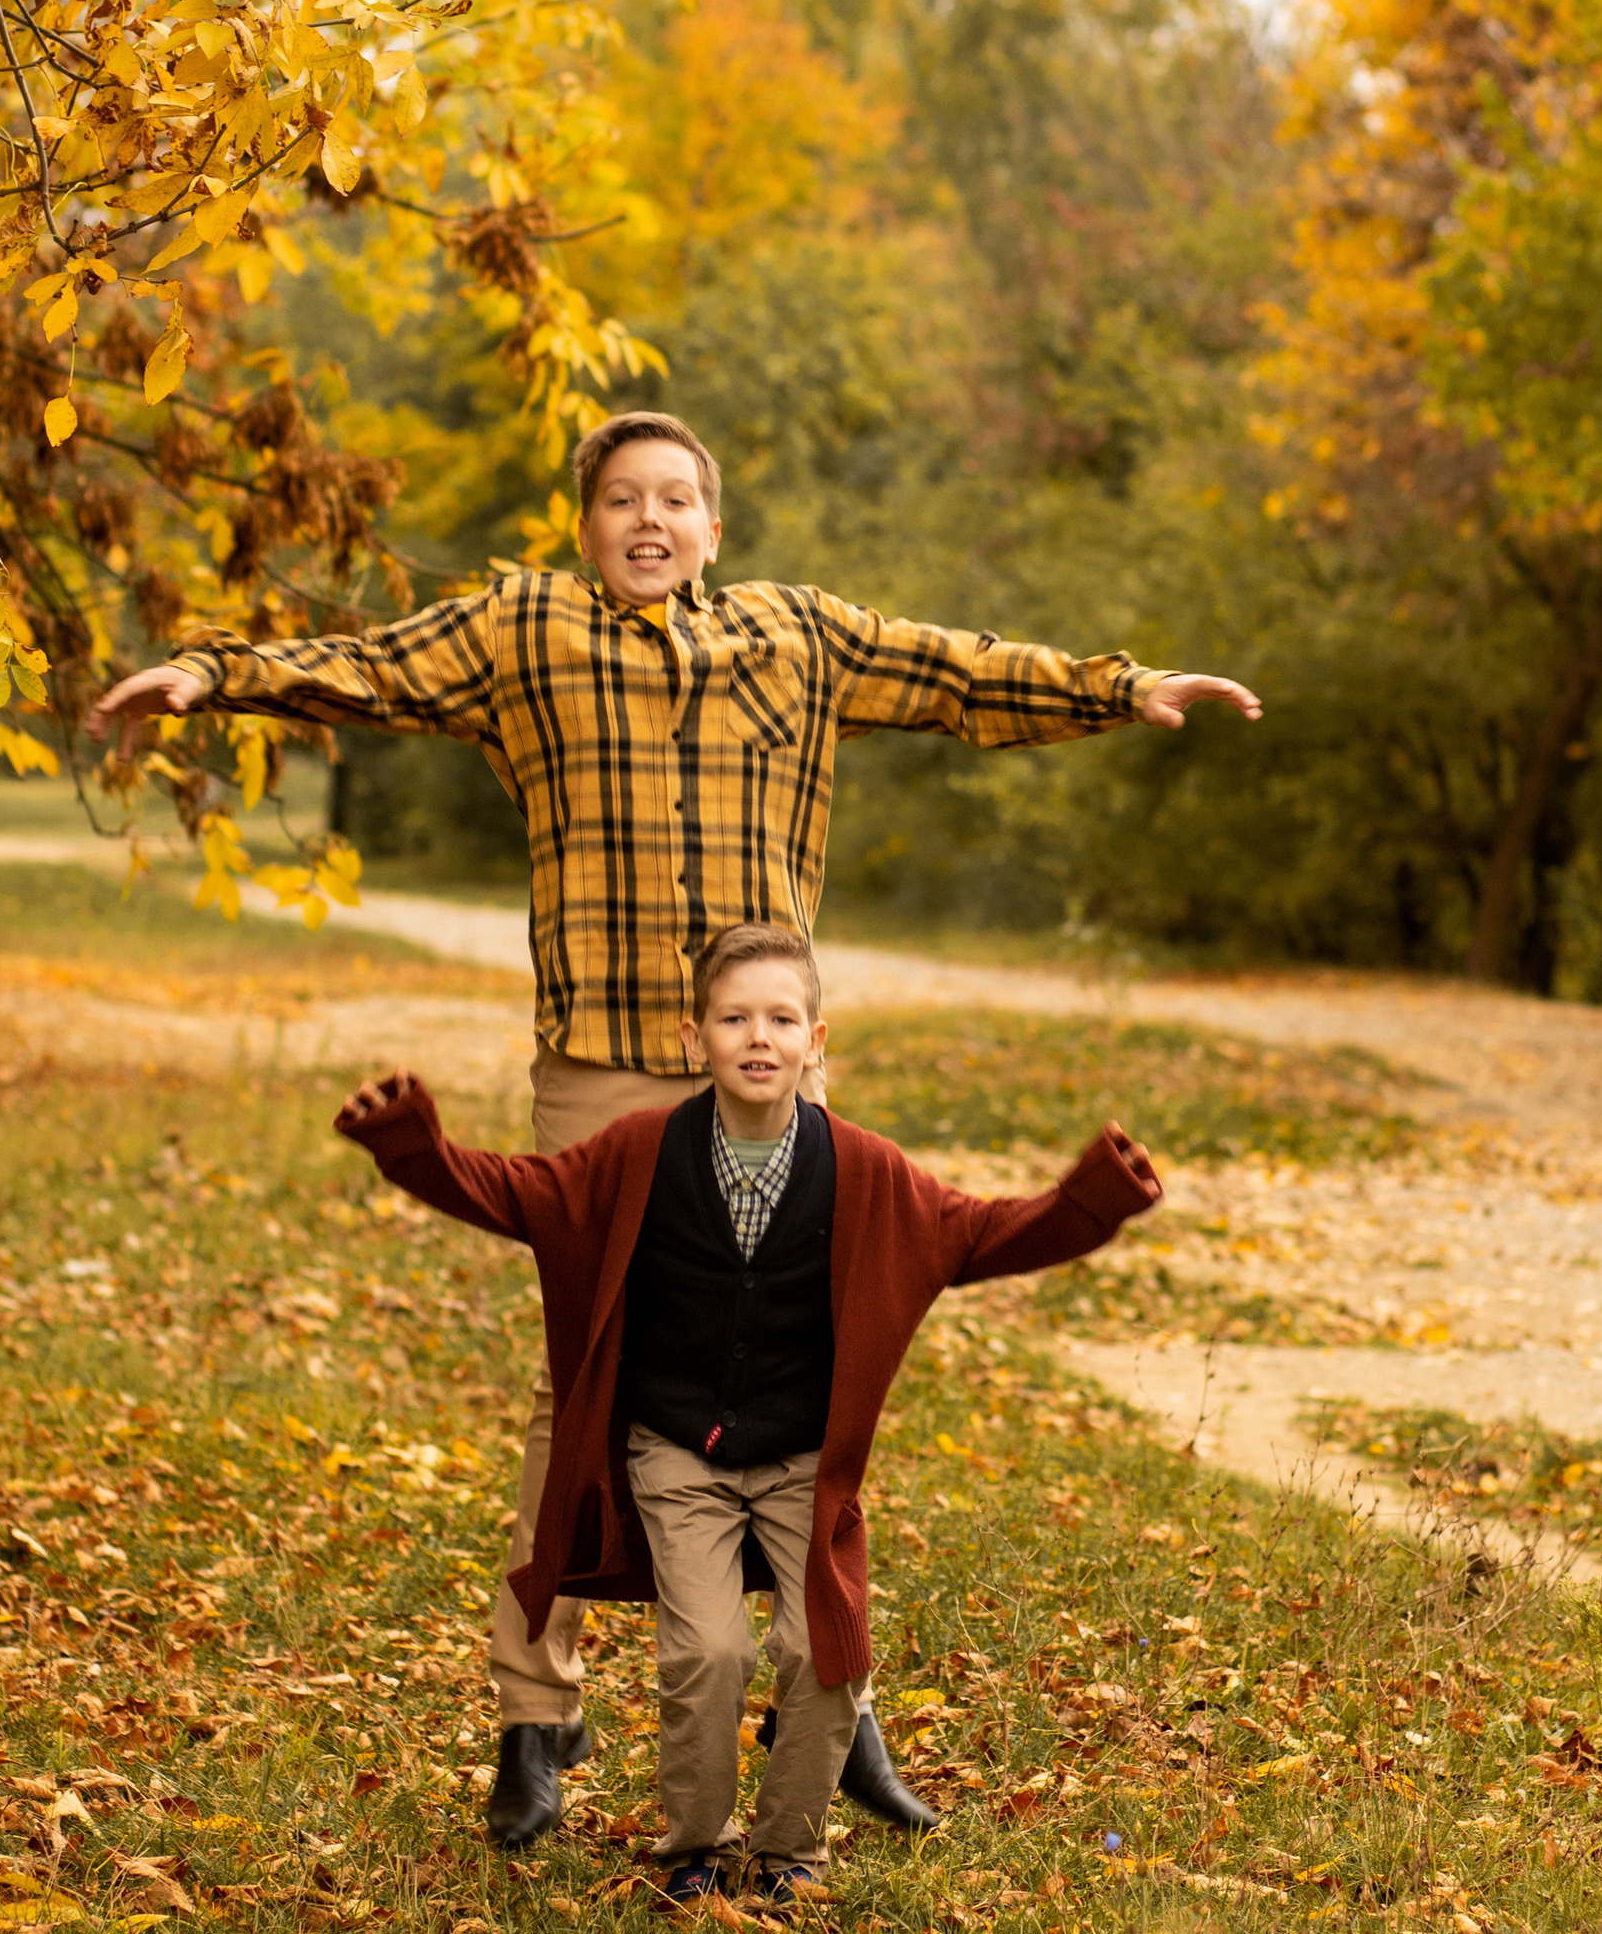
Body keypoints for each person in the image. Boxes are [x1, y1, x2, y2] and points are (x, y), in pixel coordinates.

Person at [86, 408, 1257, 1847]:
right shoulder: (525, 631)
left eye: (676, 499)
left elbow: (958, 673)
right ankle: (535, 1715)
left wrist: (1122, 688)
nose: (649, 520)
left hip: (766, 1074)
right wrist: (212, 675)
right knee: (575, 1388)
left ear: (714, 526)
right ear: (585, 524)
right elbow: (371, 669)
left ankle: (836, 1700)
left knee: (810, 1371)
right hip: (604, 1070)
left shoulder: (798, 637)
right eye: (621, 499)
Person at [335, 923, 1162, 1908]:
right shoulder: (638, 1153)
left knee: (823, 1654)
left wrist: (1091, 1199)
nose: (758, 1037)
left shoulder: (865, 1170)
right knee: (708, 1651)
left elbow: (977, 1233)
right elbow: (522, 1194)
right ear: (695, 1040)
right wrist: (411, 1146)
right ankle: (698, 1844)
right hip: (678, 1452)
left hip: (804, 1460)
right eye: (733, 1019)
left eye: (780, 1019)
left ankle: (788, 1852)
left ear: (817, 1042)